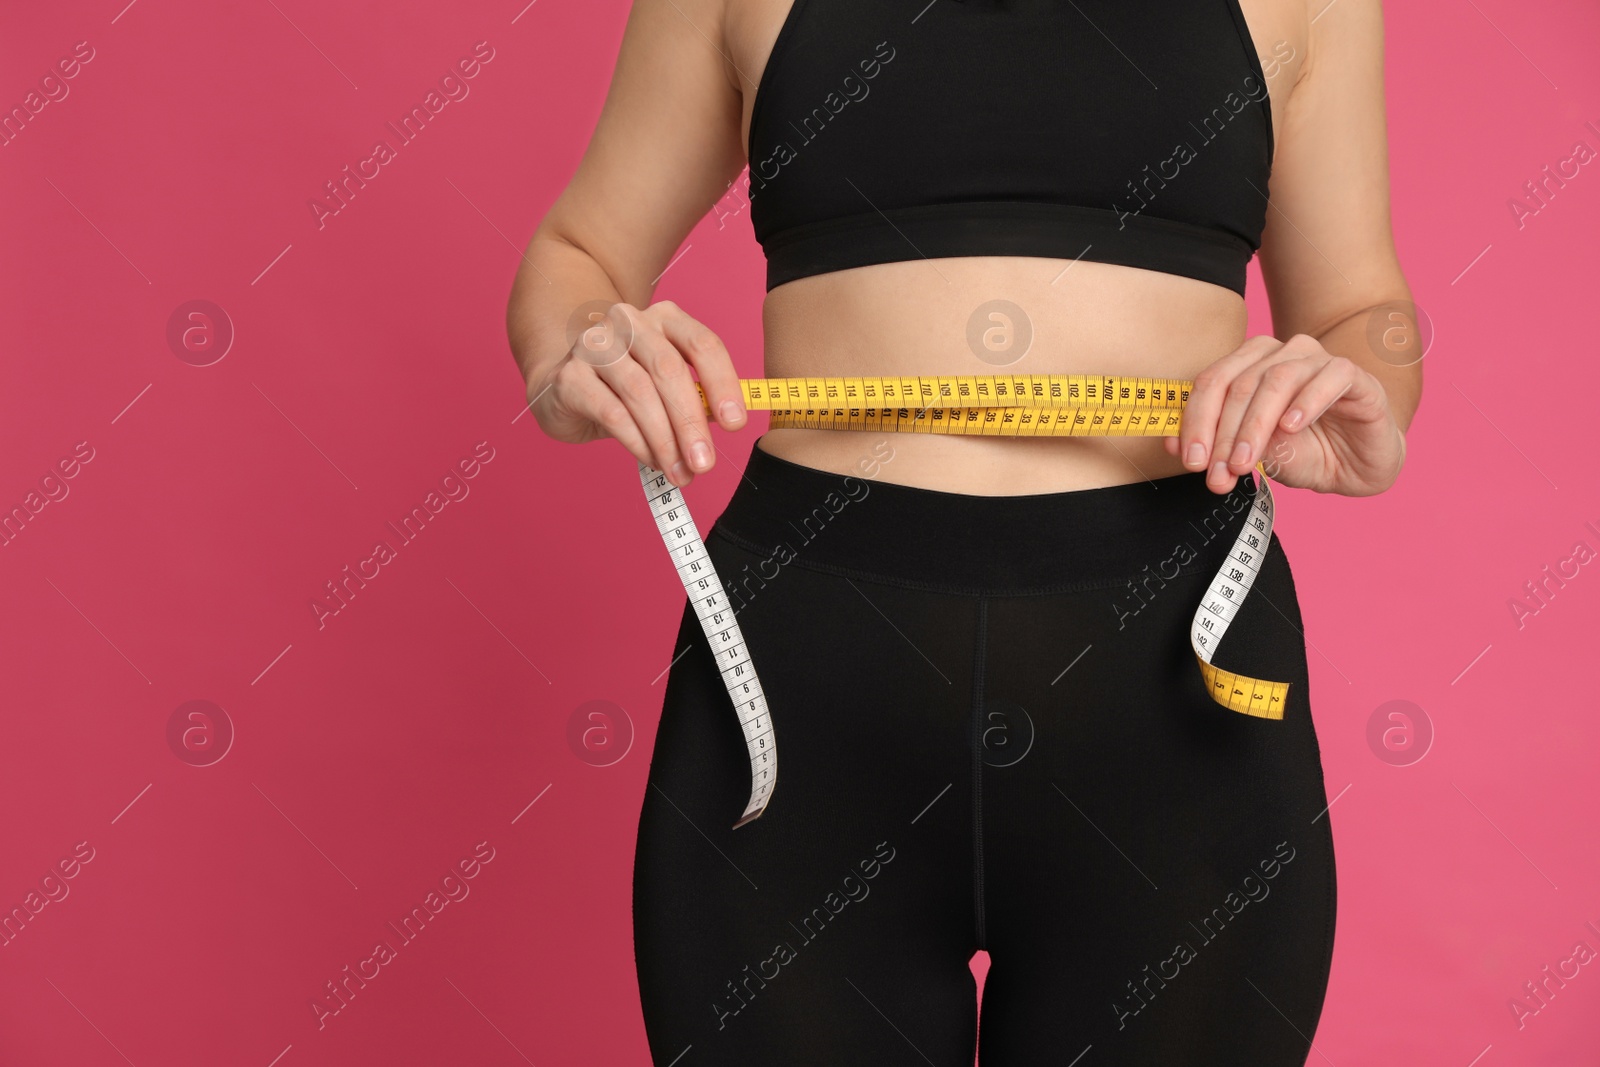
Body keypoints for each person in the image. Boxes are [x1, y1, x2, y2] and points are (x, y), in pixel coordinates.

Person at [507, 0, 1419, 1061]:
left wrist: (1358, 386)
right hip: (803, 703)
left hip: (1180, 696)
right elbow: (579, 252)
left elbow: (1362, 307)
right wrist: (581, 351)